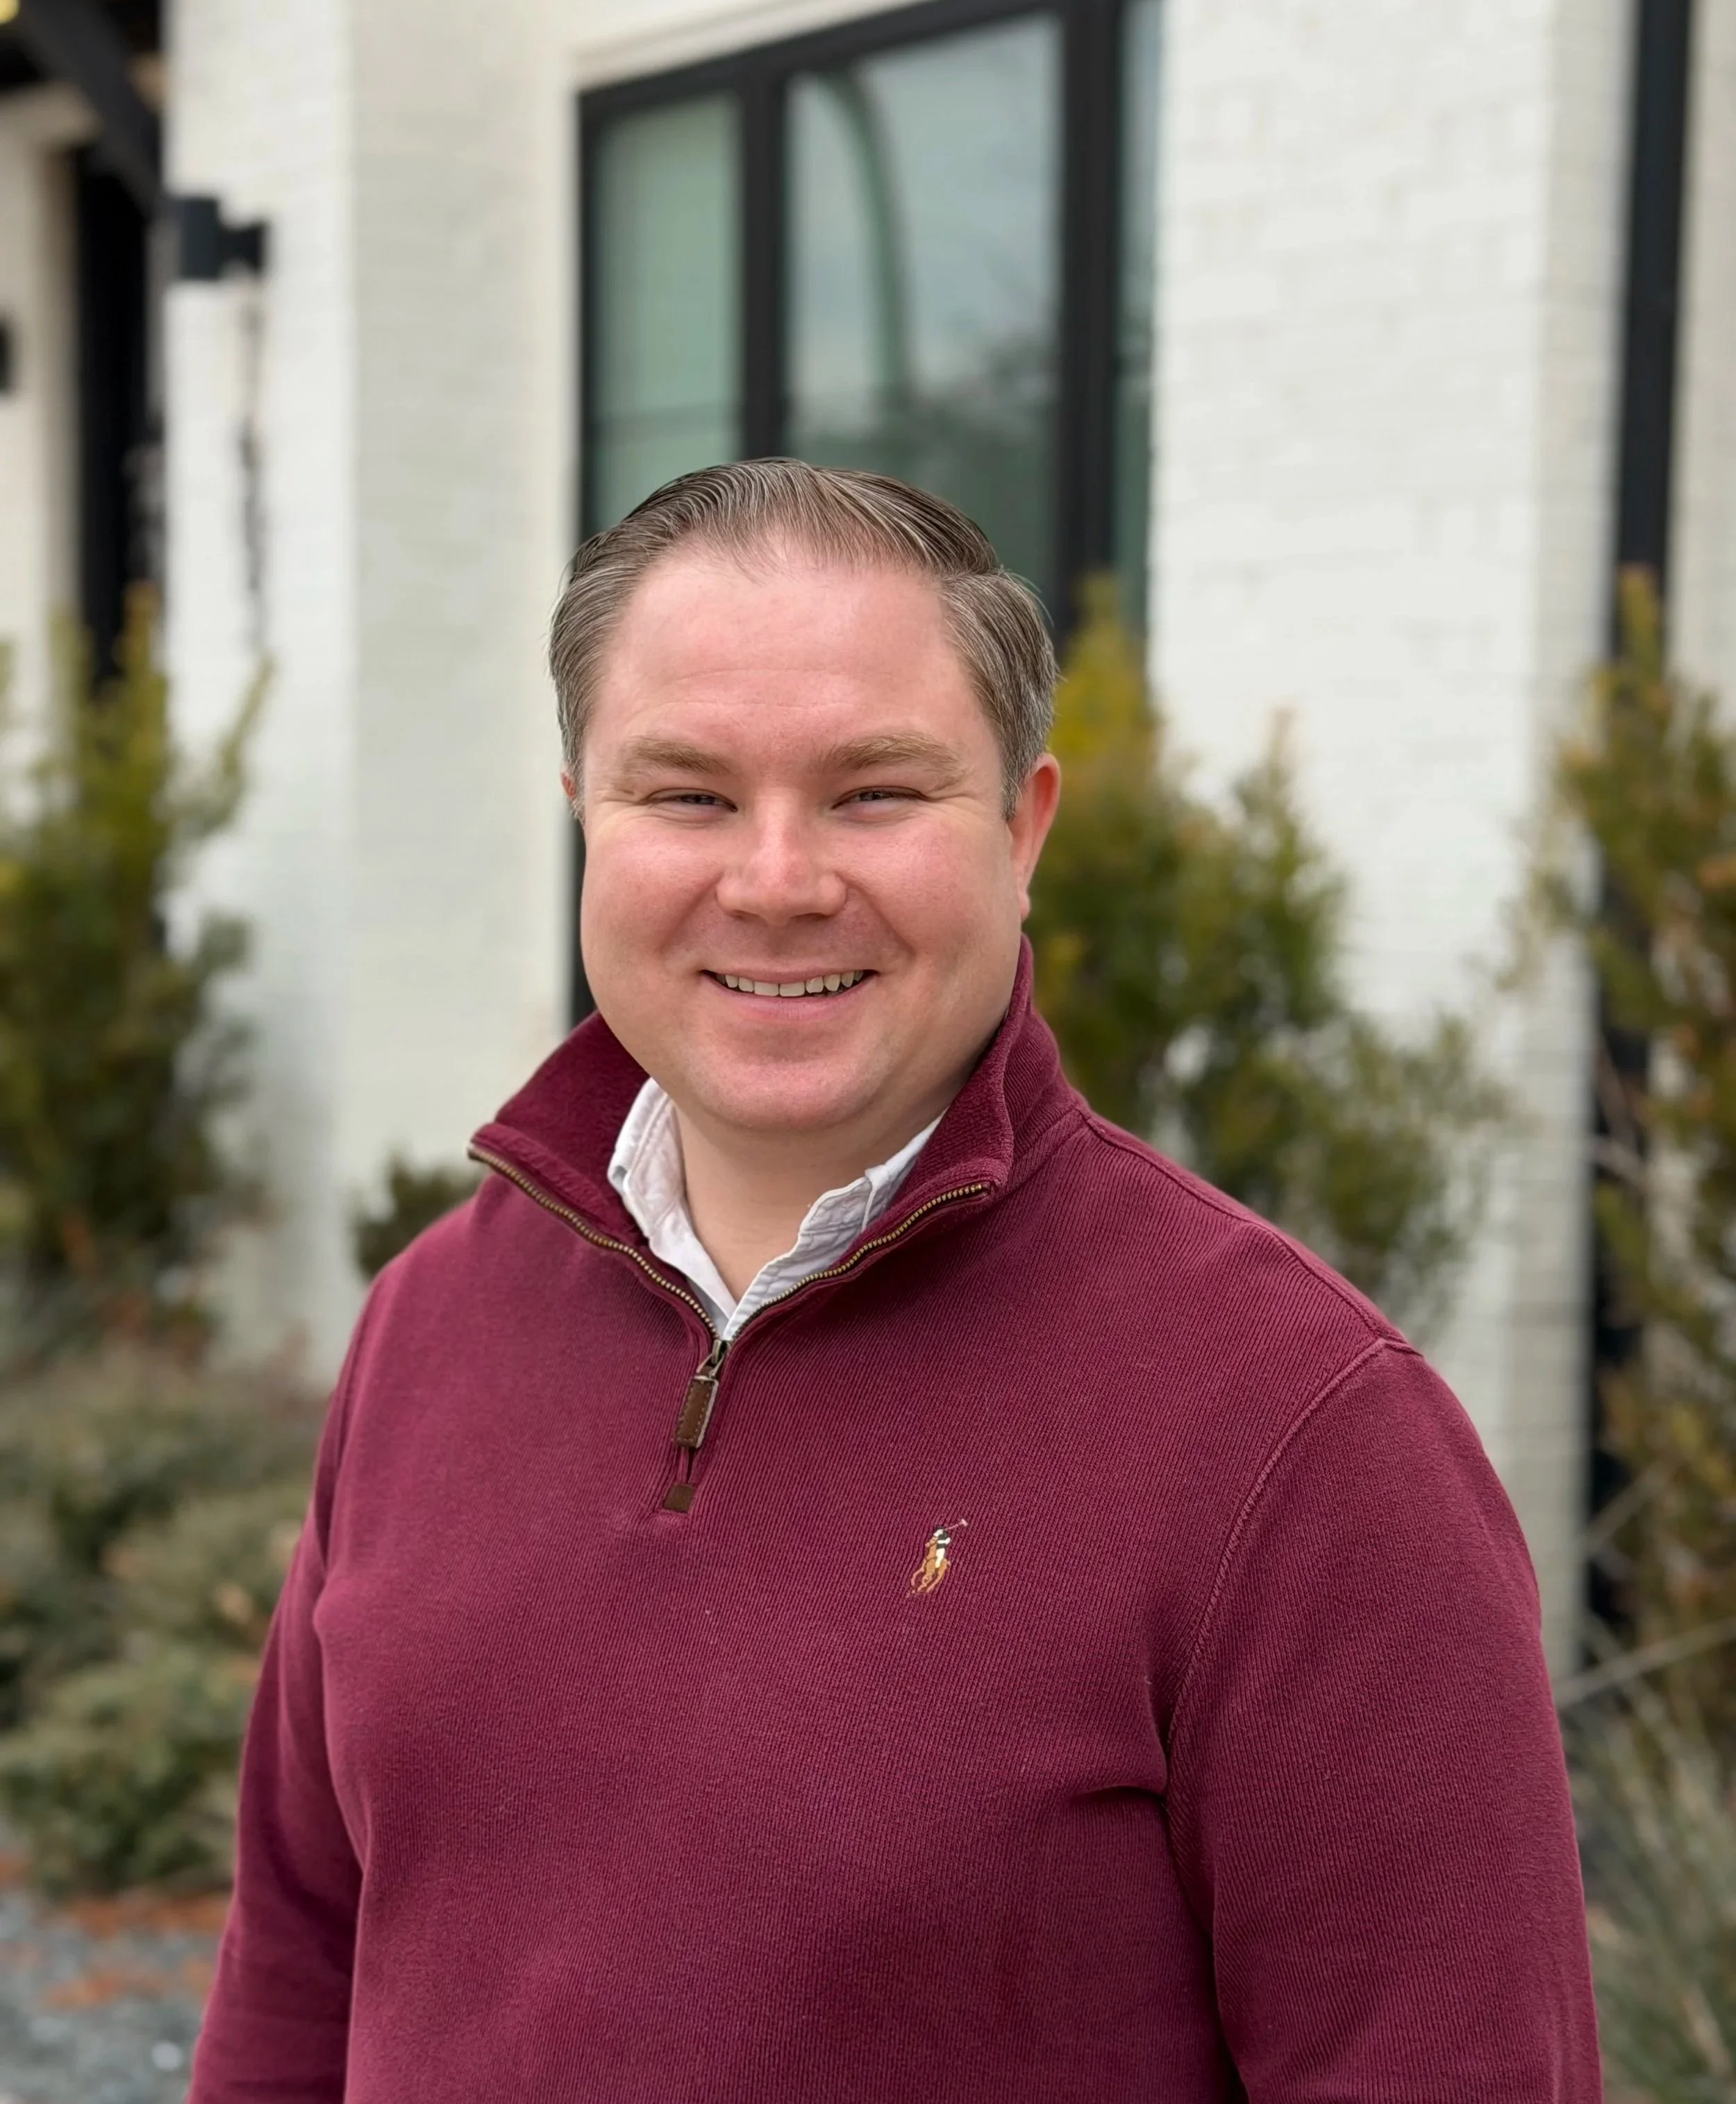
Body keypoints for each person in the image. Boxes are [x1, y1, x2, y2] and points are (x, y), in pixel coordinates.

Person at [190, 460, 1599, 2102]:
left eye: (872, 792)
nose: (776, 879)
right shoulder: (428, 1322)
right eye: (688, 794)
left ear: (1022, 827)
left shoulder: (1300, 1434)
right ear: (582, 807)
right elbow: (299, 1958)